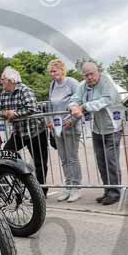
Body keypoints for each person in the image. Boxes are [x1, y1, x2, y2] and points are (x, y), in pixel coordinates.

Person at [69, 62, 123, 205]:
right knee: (101, 161)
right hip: (96, 128)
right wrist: (73, 107)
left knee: (111, 161)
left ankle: (115, 192)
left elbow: (106, 100)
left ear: (98, 71)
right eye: (86, 75)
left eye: (92, 74)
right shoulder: (83, 86)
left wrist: (84, 106)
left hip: (112, 127)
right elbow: (74, 99)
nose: (89, 77)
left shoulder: (107, 82)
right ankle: (107, 191)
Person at [0, 66, 49, 193]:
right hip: (19, 132)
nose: (1, 82)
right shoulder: (4, 93)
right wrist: (5, 113)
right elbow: (0, 110)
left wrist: (15, 114)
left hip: (35, 131)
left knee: (39, 162)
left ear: (11, 80)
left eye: (3, 79)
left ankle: (42, 190)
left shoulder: (25, 90)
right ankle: (24, 173)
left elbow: (31, 108)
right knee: (7, 151)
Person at [47, 59, 83, 202]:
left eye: (54, 71)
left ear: (62, 70)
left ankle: (76, 187)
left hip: (71, 126)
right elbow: (51, 105)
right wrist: (50, 121)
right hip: (57, 128)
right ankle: (68, 186)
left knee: (72, 157)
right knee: (64, 158)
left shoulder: (72, 83)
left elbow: (80, 102)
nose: (52, 74)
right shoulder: (52, 85)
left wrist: (72, 120)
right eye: (51, 71)